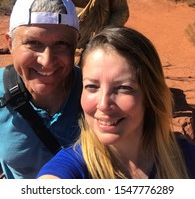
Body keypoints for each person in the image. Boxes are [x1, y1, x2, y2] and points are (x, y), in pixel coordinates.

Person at [37, 26, 195, 179]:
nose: (103, 104)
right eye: (92, 86)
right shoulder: (70, 168)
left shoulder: (186, 159)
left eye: (123, 88)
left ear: (149, 95)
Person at [0, 0, 82, 179]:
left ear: (76, 44)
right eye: (33, 43)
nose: (46, 61)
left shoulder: (96, 94)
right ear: (10, 43)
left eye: (61, 44)